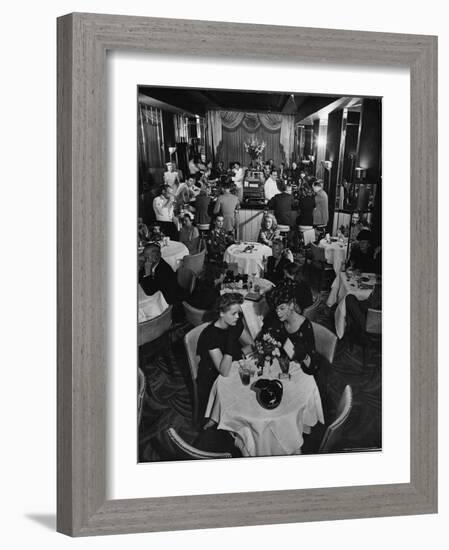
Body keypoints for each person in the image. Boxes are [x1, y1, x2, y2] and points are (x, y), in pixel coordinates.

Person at [196, 293, 244, 418]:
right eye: (233, 314)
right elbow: (224, 371)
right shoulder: (210, 335)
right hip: (212, 377)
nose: (237, 317)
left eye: (238, 312)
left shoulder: (233, 323)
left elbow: (250, 345)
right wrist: (231, 340)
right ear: (221, 313)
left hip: (230, 366)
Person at [260, 285, 318, 376]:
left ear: (291, 305)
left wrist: (303, 356)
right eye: (276, 309)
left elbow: (312, 368)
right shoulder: (277, 319)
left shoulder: (305, 327)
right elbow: (264, 337)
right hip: (279, 366)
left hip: (298, 372)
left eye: (282, 308)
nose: (278, 313)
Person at [346, 277, 382, 345]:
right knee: (352, 299)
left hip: (372, 325)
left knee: (349, 299)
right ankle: (352, 332)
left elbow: (370, 306)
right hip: (376, 319)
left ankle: (352, 333)